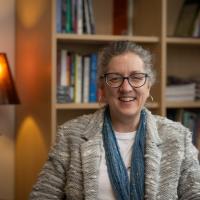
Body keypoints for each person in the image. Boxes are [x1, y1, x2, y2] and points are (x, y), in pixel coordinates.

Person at [30, 41, 200, 200]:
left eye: (136, 77)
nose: (126, 88)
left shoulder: (178, 137)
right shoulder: (70, 136)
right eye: (115, 78)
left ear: (148, 86)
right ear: (103, 89)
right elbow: (43, 195)